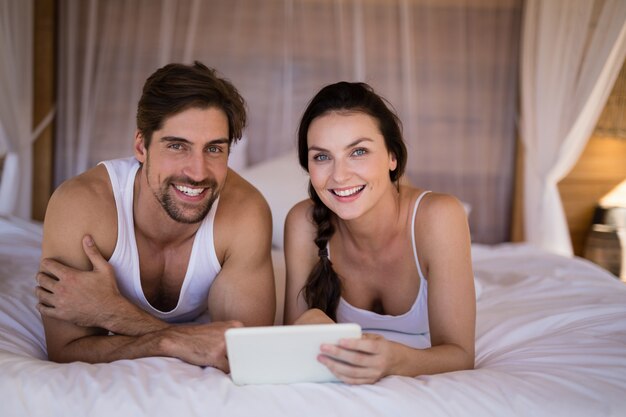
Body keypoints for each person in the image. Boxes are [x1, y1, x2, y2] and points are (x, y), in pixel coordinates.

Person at [35, 61, 275, 371]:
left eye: (214, 149)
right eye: (177, 146)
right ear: (141, 146)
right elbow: (65, 349)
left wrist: (111, 312)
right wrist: (173, 340)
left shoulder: (246, 213)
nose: (198, 172)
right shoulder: (81, 206)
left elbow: (246, 356)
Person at [284, 81, 475, 384]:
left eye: (358, 151)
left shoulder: (439, 217)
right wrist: (309, 320)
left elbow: (461, 354)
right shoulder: (302, 221)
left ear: (392, 157)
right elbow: (291, 339)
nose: (339, 175)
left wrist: (396, 360)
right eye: (322, 156)